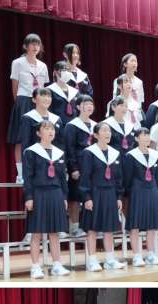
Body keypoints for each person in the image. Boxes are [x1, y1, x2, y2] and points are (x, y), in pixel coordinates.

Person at [22, 120, 70, 278]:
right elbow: (27, 177)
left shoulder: (59, 153)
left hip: (56, 193)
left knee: (54, 232)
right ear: (38, 133)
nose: (51, 131)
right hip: (38, 193)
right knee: (36, 232)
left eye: (52, 128)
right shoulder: (31, 152)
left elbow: (62, 178)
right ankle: (35, 267)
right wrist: (29, 197)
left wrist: (64, 196)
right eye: (46, 128)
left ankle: (57, 265)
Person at [79, 122, 126, 271]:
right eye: (104, 130)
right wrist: (87, 197)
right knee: (92, 229)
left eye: (109, 130)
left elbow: (118, 177)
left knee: (109, 228)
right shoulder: (89, 153)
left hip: (110, 194)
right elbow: (85, 176)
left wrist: (118, 197)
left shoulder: (115, 153)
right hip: (94, 193)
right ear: (96, 135)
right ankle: (92, 261)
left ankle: (110, 260)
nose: (108, 133)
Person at [7, 33, 49, 184]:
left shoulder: (43, 66)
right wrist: (19, 104)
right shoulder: (18, 63)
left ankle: (38, 172)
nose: (36, 47)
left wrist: (43, 105)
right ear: (25, 46)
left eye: (38, 44)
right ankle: (20, 174)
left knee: (40, 137)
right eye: (32, 44)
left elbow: (44, 88)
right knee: (20, 138)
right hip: (23, 100)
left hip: (39, 103)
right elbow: (15, 86)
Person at [123, 128, 158, 267]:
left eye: (148, 135)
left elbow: (157, 175)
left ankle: (151, 254)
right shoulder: (131, 156)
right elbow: (127, 177)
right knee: (135, 224)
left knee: (151, 224)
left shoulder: (155, 155)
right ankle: (137, 256)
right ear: (136, 138)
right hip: (137, 190)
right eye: (143, 135)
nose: (147, 137)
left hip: (152, 189)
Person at [64, 94, 96, 237]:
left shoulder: (96, 126)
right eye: (85, 104)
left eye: (91, 104)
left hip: (93, 166)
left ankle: (91, 226)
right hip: (78, 164)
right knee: (76, 197)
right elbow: (69, 148)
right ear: (77, 107)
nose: (89, 106)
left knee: (91, 195)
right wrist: (73, 168)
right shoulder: (72, 125)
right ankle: (75, 227)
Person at [21, 88, 64, 154]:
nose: (46, 99)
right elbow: (25, 144)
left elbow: (61, 144)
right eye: (43, 96)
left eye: (49, 96)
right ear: (34, 99)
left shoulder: (57, 119)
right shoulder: (28, 118)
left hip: (54, 157)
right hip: (35, 157)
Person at [48, 61, 79, 127]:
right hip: (57, 125)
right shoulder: (49, 90)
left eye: (68, 70)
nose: (67, 72)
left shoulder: (74, 91)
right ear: (55, 72)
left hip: (73, 125)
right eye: (64, 70)